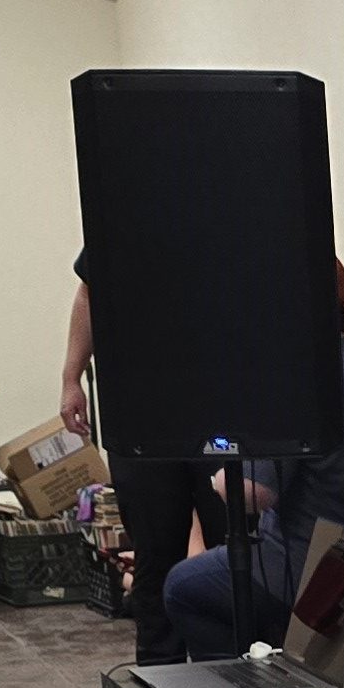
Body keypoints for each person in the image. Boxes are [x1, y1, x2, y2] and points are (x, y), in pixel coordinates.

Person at [162, 261, 344, 658]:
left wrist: (216, 473)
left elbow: (250, 494)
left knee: (183, 588)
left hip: (324, 573)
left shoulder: (299, 382)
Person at [58, 257, 218, 664]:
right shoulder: (121, 219)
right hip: (141, 418)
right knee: (154, 559)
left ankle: (231, 674)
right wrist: (71, 378)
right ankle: (159, 684)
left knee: (232, 552)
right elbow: (89, 291)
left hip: (216, 408)